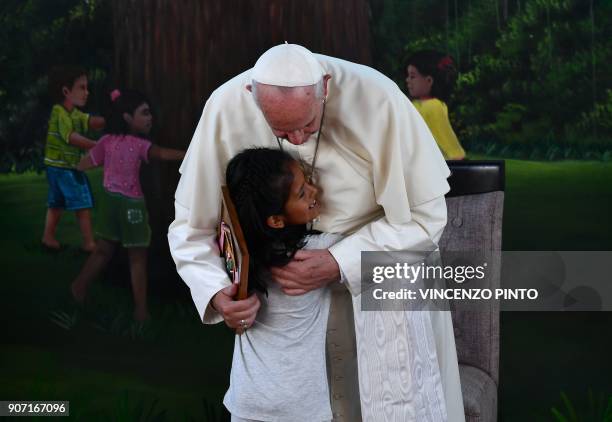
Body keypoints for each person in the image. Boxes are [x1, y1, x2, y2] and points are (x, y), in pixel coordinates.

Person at [169, 44, 465, 421]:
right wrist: (216, 292)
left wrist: (337, 261)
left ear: (325, 87)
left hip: (377, 288)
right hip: (281, 322)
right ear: (251, 96)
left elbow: (426, 217)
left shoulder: (377, 96)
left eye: (307, 125)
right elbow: (191, 226)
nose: (296, 142)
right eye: (280, 130)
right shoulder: (226, 105)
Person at [222, 147, 341, 422]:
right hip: (300, 406)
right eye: (301, 193)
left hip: (247, 400)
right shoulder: (318, 251)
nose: (313, 191)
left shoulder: (243, 260)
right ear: (275, 219)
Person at [72, 89, 185, 321]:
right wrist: (190, 154)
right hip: (131, 206)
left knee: (105, 250)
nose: (149, 117)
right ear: (126, 117)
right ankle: (140, 310)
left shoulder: (108, 142)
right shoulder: (137, 145)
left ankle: (80, 288)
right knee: (136, 257)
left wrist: (74, 168)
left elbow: (84, 164)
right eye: (144, 113)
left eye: (149, 113)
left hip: (109, 203)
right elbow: (162, 154)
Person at [42, 65, 105, 252]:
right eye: (82, 88)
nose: (87, 92)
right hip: (64, 167)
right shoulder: (59, 112)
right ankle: (89, 243)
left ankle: (47, 237)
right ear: (66, 91)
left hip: (56, 167)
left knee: (57, 203)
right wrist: (96, 146)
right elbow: (70, 137)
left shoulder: (74, 113)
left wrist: (109, 118)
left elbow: (90, 121)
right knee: (82, 201)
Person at [405, 50, 466, 160]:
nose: (408, 80)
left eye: (412, 76)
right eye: (408, 76)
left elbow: (446, 137)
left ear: (429, 80)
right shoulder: (413, 105)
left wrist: (456, 157)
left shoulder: (434, 106)